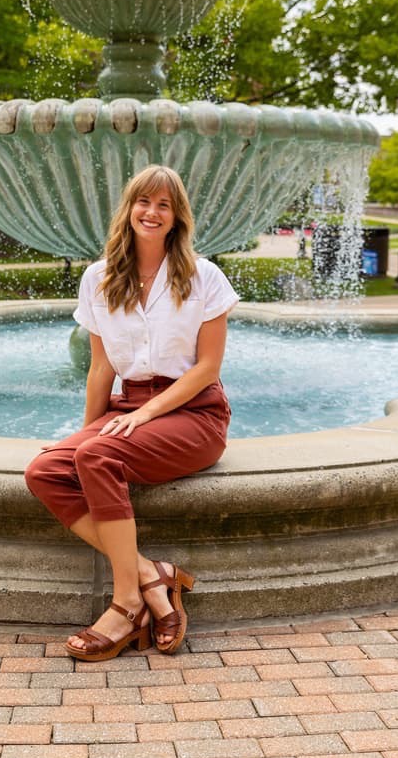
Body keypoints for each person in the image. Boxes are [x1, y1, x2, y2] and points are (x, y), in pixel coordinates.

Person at [24, 165, 238, 661]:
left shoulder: (204, 277)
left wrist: (143, 417)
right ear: (129, 208)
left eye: (164, 205)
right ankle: (150, 575)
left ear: (177, 217)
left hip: (196, 413)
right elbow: (101, 368)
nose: (152, 212)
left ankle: (126, 605)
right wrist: (82, 436)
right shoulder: (98, 278)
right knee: (45, 471)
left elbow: (207, 368)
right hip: (129, 406)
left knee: (97, 456)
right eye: (144, 201)